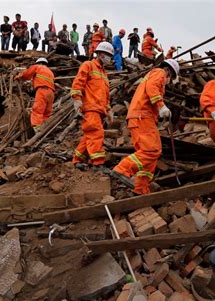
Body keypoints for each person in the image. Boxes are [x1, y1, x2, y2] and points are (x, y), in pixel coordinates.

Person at [110, 59, 180, 194]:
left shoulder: (153, 74)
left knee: (151, 153)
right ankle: (122, 169)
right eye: (170, 78)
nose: (168, 80)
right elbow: (151, 88)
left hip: (142, 117)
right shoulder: (160, 72)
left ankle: (141, 187)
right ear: (169, 72)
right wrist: (161, 106)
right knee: (151, 151)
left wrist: (160, 110)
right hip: (142, 116)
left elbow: (150, 93)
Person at [71, 42, 114, 171]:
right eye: (107, 55)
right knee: (96, 134)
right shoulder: (88, 65)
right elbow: (78, 83)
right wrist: (77, 100)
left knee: (89, 136)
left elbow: (105, 95)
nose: (109, 59)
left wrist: (109, 110)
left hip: (99, 110)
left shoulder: (104, 74)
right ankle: (98, 163)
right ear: (100, 54)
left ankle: (77, 160)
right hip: (90, 108)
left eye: (110, 56)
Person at [14, 58, 55, 132]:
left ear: (38, 63)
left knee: (37, 110)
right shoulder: (50, 72)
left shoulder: (37, 67)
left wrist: (18, 76)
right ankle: (46, 128)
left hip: (42, 90)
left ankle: (38, 130)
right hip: (51, 93)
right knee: (47, 113)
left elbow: (26, 74)